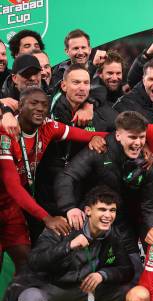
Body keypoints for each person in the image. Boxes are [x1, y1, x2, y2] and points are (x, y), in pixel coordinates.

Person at [15, 186, 133, 301]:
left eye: (112, 210)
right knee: (30, 298)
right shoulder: (63, 226)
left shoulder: (111, 234)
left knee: (123, 289)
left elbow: (127, 269)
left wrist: (103, 275)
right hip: (51, 291)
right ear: (88, 211)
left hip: (82, 291)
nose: (108, 215)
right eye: (102, 209)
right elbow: (35, 261)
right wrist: (68, 246)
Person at [0, 87, 106, 270]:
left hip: (11, 207)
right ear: (21, 106)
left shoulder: (49, 127)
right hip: (12, 196)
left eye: (44, 104)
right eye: (34, 103)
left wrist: (100, 138)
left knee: (26, 262)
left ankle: (19, 299)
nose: (40, 108)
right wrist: (47, 218)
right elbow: (13, 186)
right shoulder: (6, 133)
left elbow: (90, 135)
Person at [55, 111, 153, 279]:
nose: (138, 143)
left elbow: (150, 205)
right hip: (88, 221)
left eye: (142, 138)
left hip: (122, 224)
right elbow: (68, 176)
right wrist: (69, 208)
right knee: (81, 273)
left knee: (135, 272)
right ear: (118, 135)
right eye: (132, 137)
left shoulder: (146, 163)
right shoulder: (98, 149)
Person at [37, 64, 117, 218]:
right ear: (64, 85)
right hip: (46, 187)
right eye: (76, 82)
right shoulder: (46, 107)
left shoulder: (99, 110)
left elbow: (123, 130)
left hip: (81, 187)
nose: (82, 88)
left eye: (86, 83)